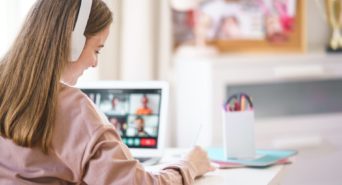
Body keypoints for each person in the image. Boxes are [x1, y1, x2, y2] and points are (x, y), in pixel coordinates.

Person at [0, 0, 214, 184]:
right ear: (72, 41)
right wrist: (189, 165)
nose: (95, 63)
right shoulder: (74, 108)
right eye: (97, 49)